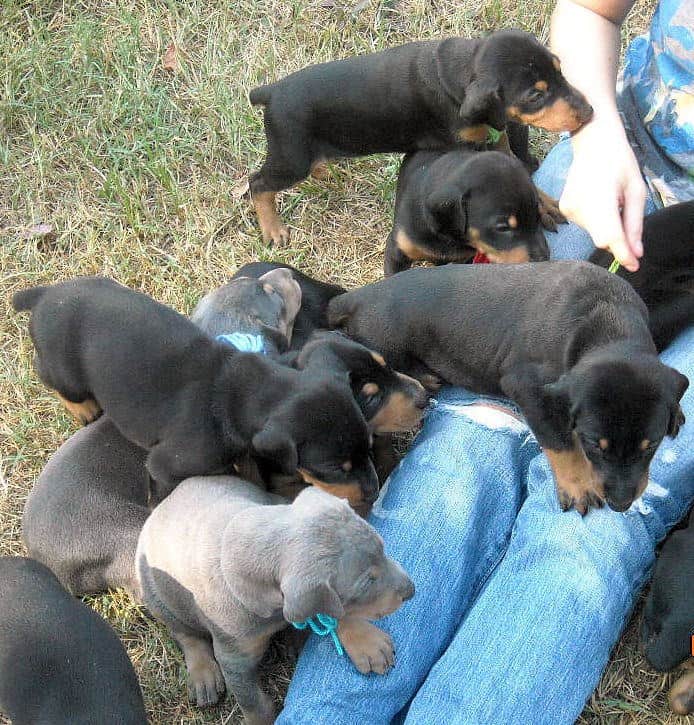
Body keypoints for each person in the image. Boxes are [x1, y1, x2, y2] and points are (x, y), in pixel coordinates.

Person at [277, 0, 694, 722]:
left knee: (597, 518)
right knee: (467, 435)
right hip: (620, 164)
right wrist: (597, 146)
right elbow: (591, 12)